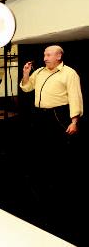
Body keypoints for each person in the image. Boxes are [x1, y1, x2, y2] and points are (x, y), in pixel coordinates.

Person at [20, 45, 83, 226]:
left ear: (59, 56)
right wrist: (26, 73)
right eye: (44, 54)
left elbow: (75, 97)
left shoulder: (69, 73)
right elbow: (26, 88)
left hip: (58, 114)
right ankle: (43, 183)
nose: (45, 57)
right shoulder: (39, 71)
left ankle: (61, 187)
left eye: (49, 55)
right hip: (40, 115)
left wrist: (74, 121)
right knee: (41, 149)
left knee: (59, 150)